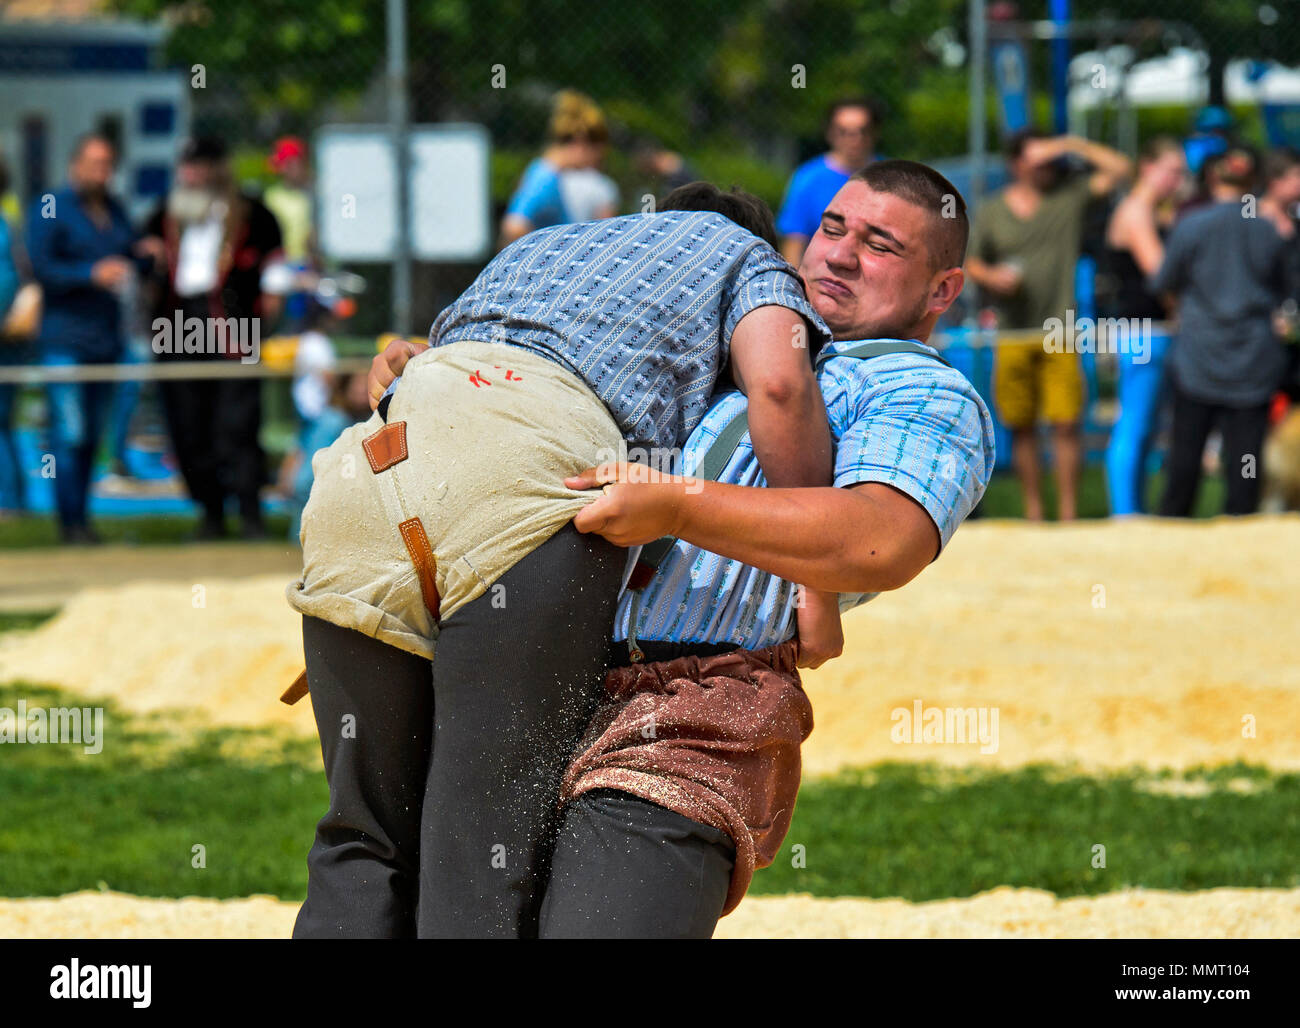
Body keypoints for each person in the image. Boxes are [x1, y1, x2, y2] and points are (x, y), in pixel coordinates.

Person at [288, 185, 836, 939]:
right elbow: (778, 380)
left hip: (364, 477)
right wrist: (814, 570)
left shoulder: (544, 247)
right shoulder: (746, 259)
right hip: (520, 487)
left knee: (364, 837)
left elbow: (409, 366)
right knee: (476, 850)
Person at [536, 160, 996, 938]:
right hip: (535, 673)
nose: (839, 255)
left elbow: (879, 542)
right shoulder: (730, 330)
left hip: (693, 710)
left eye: (880, 245)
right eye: (833, 228)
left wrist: (677, 506)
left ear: (942, 290)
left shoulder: (920, 389)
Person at [965, 129, 1132, 521]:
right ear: (1015, 164)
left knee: (1066, 423)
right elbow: (971, 262)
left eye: (1050, 162)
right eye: (1037, 161)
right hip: (1011, 332)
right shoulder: (991, 209)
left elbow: (1122, 168)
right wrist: (990, 277)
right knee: (1021, 427)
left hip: (1061, 331)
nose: (1046, 169)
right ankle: (1034, 514)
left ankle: (1070, 516)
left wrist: (1070, 144)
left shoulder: (1068, 198)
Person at [141, 136, 283, 539]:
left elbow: (274, 269)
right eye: (188, 166)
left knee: (237, 424)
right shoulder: (162, 217)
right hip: (177, 321)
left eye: (202, 165)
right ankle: (211, 513)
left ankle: (251, 514)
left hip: (232, 323)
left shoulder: (254, 215)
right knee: (187, 422)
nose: (194, 174)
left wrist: (265, 314)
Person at [25, 133, 151, 543]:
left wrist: (143, 253)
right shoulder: (51, 208)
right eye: (93, 163)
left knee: (93, 435)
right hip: (64, 340)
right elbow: (42, 268)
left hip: (105, 341)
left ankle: (82, 522)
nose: (100, 172)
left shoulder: (114, 210)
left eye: (106, 164)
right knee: (70, 433)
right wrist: (90, 274)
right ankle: (69, 522)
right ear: (75, 165)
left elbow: (128, 256)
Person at [1154, 148, 1290, 516]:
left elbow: (1164, 280)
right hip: (1254, 361)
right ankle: (1242, 548)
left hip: (1200, 357)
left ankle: (1169, 540)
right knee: (1245, 468)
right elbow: (1284, 292)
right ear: (1253, 183)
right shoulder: (1268, 231)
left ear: (1213, 178)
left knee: (1185, 459)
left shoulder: (1192, 225)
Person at [1100, 137, 1187, 516]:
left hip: (1151, 332)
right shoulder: (1136, 212)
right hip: (1142, 333)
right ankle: (1125, 513)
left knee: (1146, 428)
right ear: (1148, 167)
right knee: (1134, 425)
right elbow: (1162, 275)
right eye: (1173, 171)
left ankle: (1134, 509)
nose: (1178, 180)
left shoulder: (1156, 212)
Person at [498, 90, 615, 247]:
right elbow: (513, 227)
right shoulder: (544, 178)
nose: (596, 163)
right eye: (597, 155)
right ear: (581, 142)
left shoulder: (548, 175)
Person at [776, 96, 884, 266]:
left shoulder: (891, 178)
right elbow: (794, 243)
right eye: (844, 131)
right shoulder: (807, 179)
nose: (854, 139)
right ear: (830, 133)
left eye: (862, 131)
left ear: (875, 133)